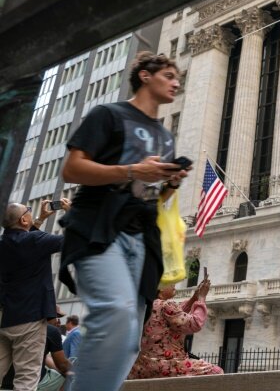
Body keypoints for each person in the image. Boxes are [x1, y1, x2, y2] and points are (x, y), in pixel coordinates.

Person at [59, 52, 188, 391]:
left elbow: (150, 197)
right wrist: (132, 169)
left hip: (141, 238)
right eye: (169, 75)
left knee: (130, 336)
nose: (176, 82)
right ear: (146, 76)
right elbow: (72, 169)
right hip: (101, 229)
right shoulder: (109, 115)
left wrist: (170, 184)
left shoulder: (165, 136)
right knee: (115, 313)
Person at [0, 201, 66, 391]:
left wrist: (38, 220)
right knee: (26, 378)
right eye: (28, 210)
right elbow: (69, 242)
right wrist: (72, 214)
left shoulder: (4, 243)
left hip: (4, 316)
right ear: (23, 219)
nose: (31, 211)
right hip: (28, 318)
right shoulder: (35, 241)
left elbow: (24, 244)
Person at [128, 278, 222, 379]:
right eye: (170, 282)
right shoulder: (166, 305)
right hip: (167, 366)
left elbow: (177, 314)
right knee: (217, 372)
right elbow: (195, 323)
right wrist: (202, 298)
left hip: (140, 367)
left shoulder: (147, 306)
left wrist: (194, 297)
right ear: (160, 288)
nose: (174, 284)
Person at [37, 307, 71, 391]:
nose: (59, 323)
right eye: (57, 318)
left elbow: (45, 358)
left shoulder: (22, 327)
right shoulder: (51, 330)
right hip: (35, 381)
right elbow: (62, 365)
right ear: (49, 315)